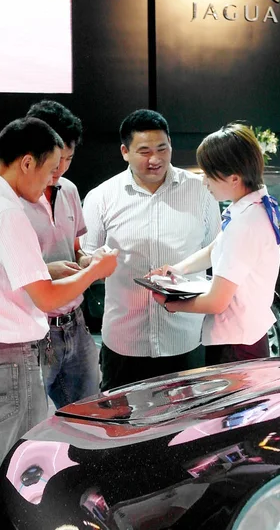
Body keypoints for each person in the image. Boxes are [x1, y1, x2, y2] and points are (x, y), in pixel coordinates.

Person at [0, 117, 118, 515]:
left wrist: (50, 268)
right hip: (9, 359)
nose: (52, 181)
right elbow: (47, 297)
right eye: (51, 169)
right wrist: (94, 273)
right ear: (27, 162)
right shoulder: (8, 212)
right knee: (19, 474)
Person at [81, 109, 221, 390]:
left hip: (185, 337)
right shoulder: (102, 197)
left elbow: (216, 250)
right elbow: (86, 255)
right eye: (144, 151)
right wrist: (93, 262)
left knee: (186, 430)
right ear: (125, 151)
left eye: (162, 148)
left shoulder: (201, 191)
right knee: (123, 428)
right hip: (125, 340)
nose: (155, 159)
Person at [150, 122, 280, 366]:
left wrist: (171, 303)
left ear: (233, 178)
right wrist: (177, 269)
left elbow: (216, 301)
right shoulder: (252, 207)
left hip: (235, 344)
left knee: (235, 405)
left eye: (209, 175)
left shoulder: (246, 223)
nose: (204, 182)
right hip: (246, 335)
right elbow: (215, 247)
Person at [21, 100, 99, 409]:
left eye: (68, 158)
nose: (61, 168)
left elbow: (77, 249)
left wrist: (87, 261)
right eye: (56, 158)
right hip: (33, 328)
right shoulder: (9, 199)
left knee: (90, 414)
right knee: (33, 423)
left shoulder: (69, 190)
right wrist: (45, 270)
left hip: (76, 325)